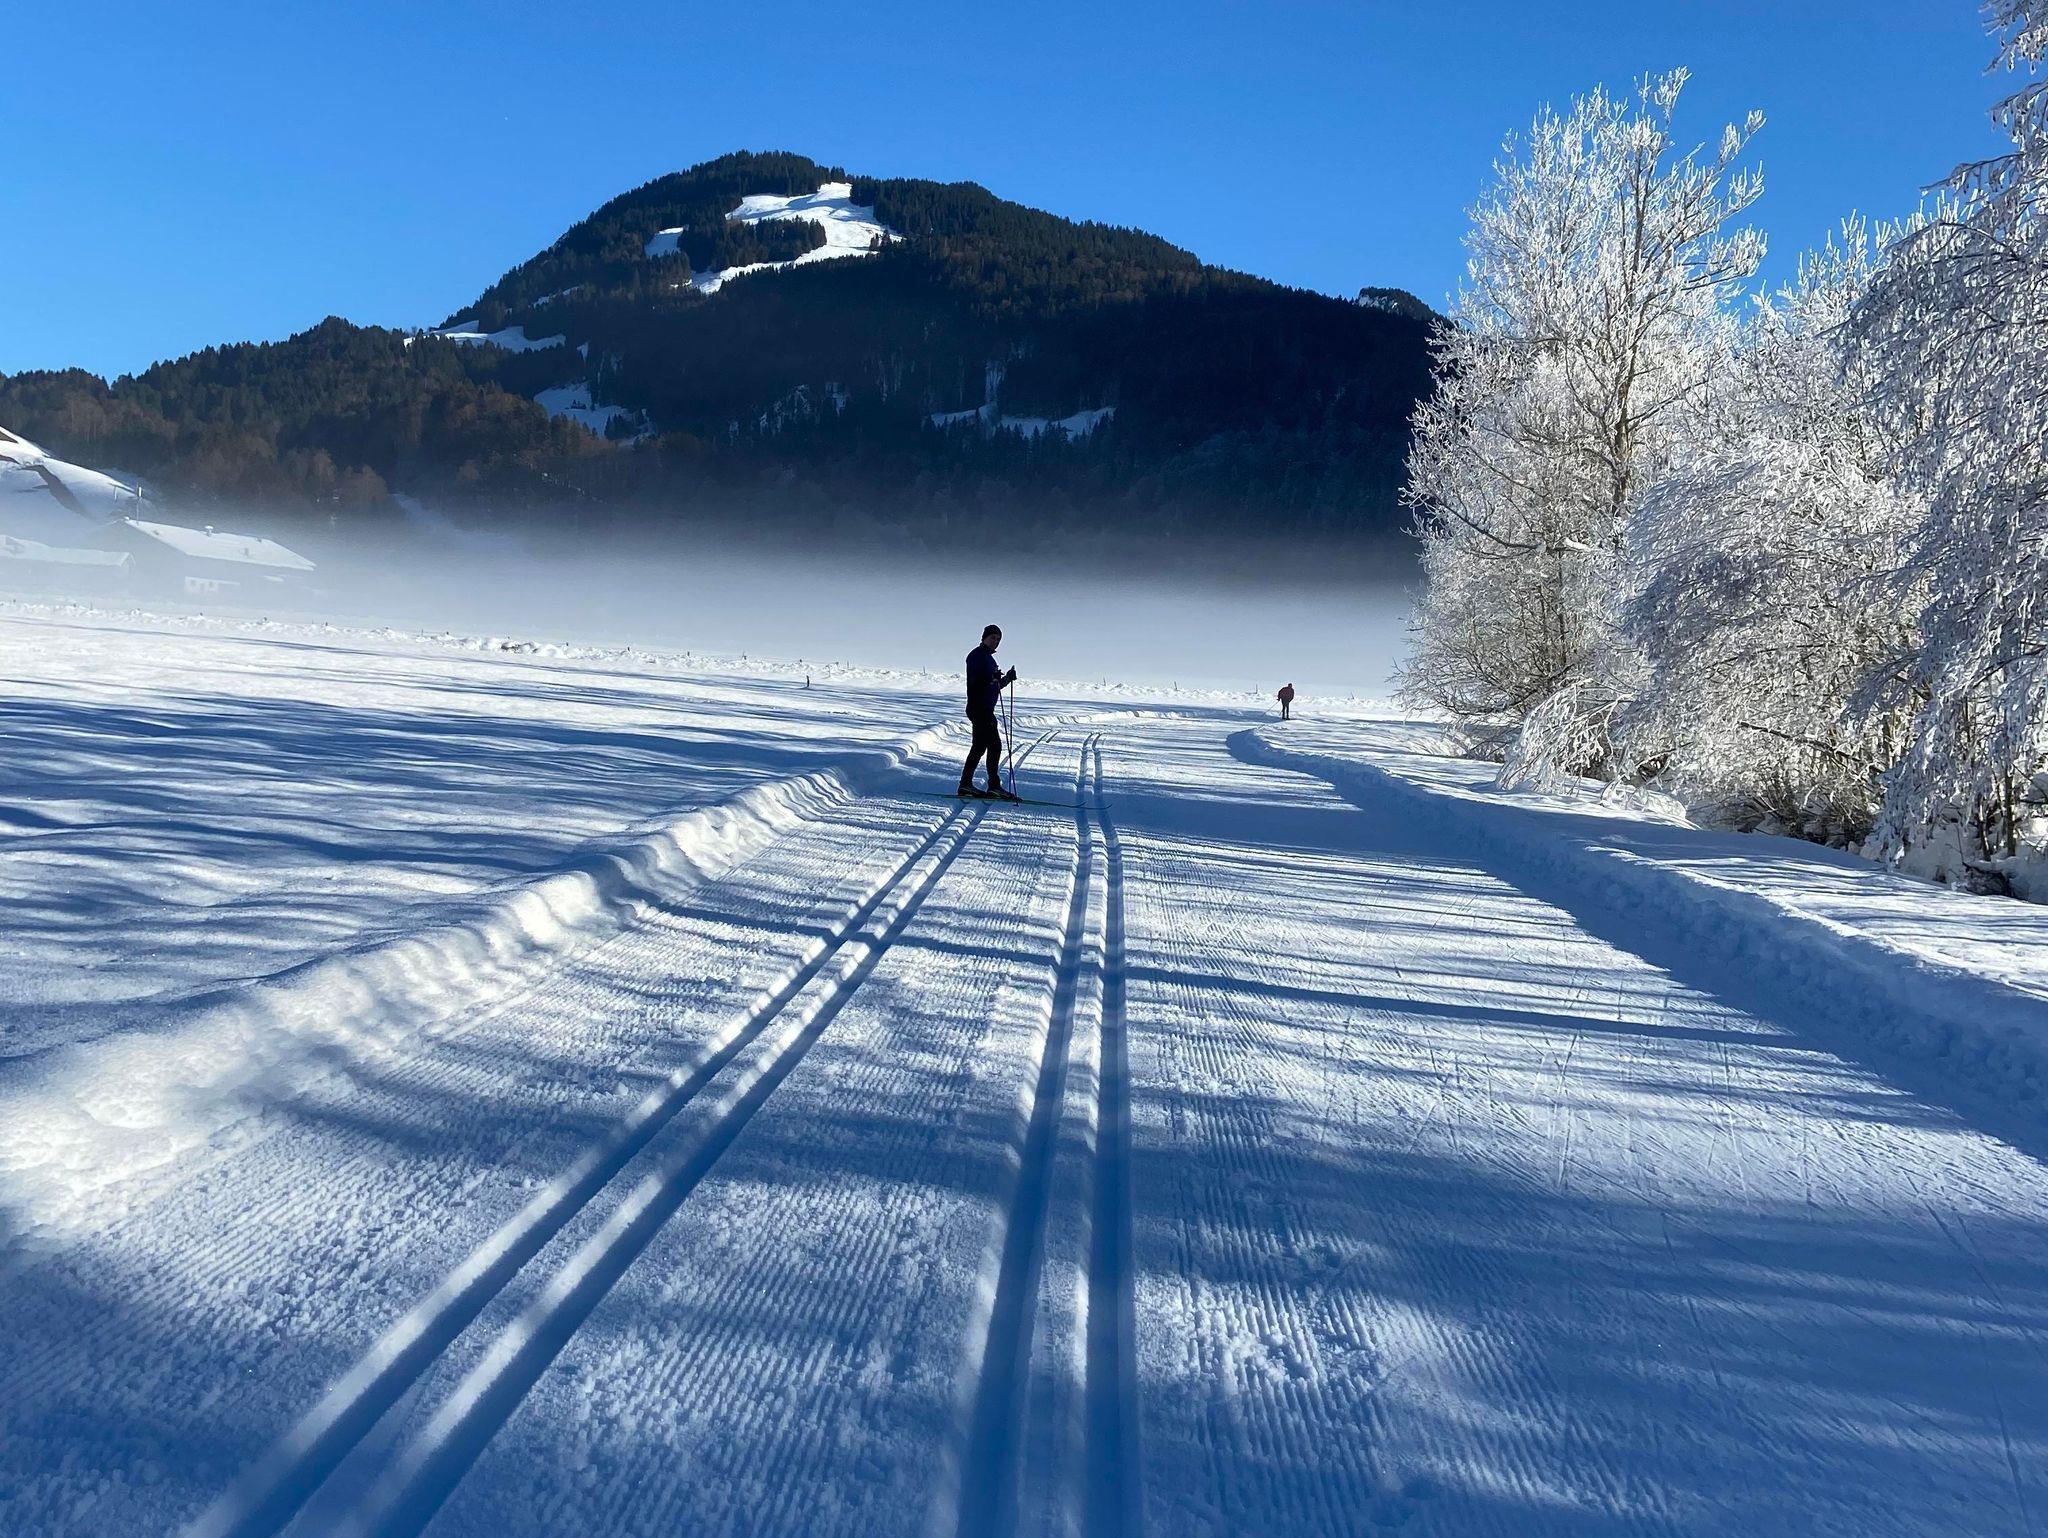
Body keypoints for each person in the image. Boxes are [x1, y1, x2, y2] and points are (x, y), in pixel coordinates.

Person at [959, 624, 1018, 797]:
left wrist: (1007, 678)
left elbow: (994, 685)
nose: (996, 641)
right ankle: (992, 786)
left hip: (983, 708)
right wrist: (991, 678)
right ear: (984, 638)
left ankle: (966, 785)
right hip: (979, 708)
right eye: (993, 638)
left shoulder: (988, 659)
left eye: (998, 639)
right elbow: (976, 681)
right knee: (994, 746)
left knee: (979, 747)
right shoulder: (977, 656)